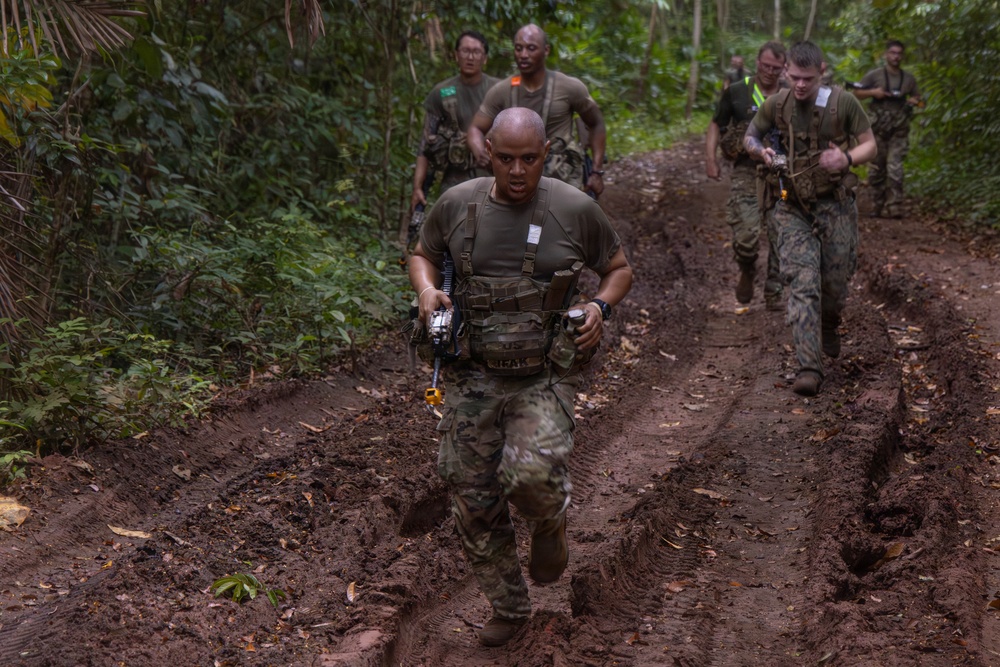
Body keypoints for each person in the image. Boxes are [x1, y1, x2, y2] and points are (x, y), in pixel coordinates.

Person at [408, 108, 632, 647]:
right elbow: (422, 255)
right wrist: (426, 292)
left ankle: (549, 521)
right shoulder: (459, 204)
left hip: (542, 376)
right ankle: (509, 607)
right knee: (472, 496)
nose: (515, 171)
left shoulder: (574, 209)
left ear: (545, 155)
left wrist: (599, 306)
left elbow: (619, 268)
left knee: (530, 476)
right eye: (504, 158)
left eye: (528, 159)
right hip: (472, 374)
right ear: (489, 153)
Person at [744, 41, 877, 397]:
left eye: (807, 78)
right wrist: (762, 152)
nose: (800, 85)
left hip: (835, 206)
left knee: (833, 286)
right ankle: (808, 366)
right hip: (792, 208)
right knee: (802, 284)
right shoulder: (777, 104)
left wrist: (847, 159)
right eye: (794, 77)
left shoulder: (842, 103)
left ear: (822, 71)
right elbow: (750, 136)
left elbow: (870, 144)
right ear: (786, 71)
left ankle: (830, 324)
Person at [467, 24, 607, 198]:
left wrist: (596, 172)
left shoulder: (569, 87)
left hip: (561, 181)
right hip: (517, 181)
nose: (523, 55)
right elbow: (475, 128)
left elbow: (596, 123)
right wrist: (480, 151)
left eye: (531, 48)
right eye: (519, 49)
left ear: (546, 50)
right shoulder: (503, 90)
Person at [706, 41, 787, 308]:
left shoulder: (790, 93)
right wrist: (710, 159)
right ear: (757, 62)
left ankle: (774, 291)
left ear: (784, 67)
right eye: (766, 65)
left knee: (781, 233)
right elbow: (717, 124)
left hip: (782, 172)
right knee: (746, 235)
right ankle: (747, 267)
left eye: (776, 68)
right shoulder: (739, 92)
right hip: (745, 170)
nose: (770, 72)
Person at [410, 30, 500, 213]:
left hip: (493, 176)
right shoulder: (441, 92)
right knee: (447, 229)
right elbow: (425, 145)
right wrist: (417, 187)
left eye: (476, 52)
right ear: (456, 55)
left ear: (485, 58)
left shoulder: (499, 89)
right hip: (455, 177)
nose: (470, 57)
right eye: (465, 51)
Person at [852, 40, 921, 218]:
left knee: (895, 167)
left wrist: (915, 102)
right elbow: (856, 93)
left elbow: (920, 101)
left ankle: (895, 205)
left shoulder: (909, 79)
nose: (896, 56)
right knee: (877, 168)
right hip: (877, 129)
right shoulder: (875, 76)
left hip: (899, 130)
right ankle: (877, 204)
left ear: (902, 56)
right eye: (892, 52)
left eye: (899, 53)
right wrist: (874, 93)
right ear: (886, 54)